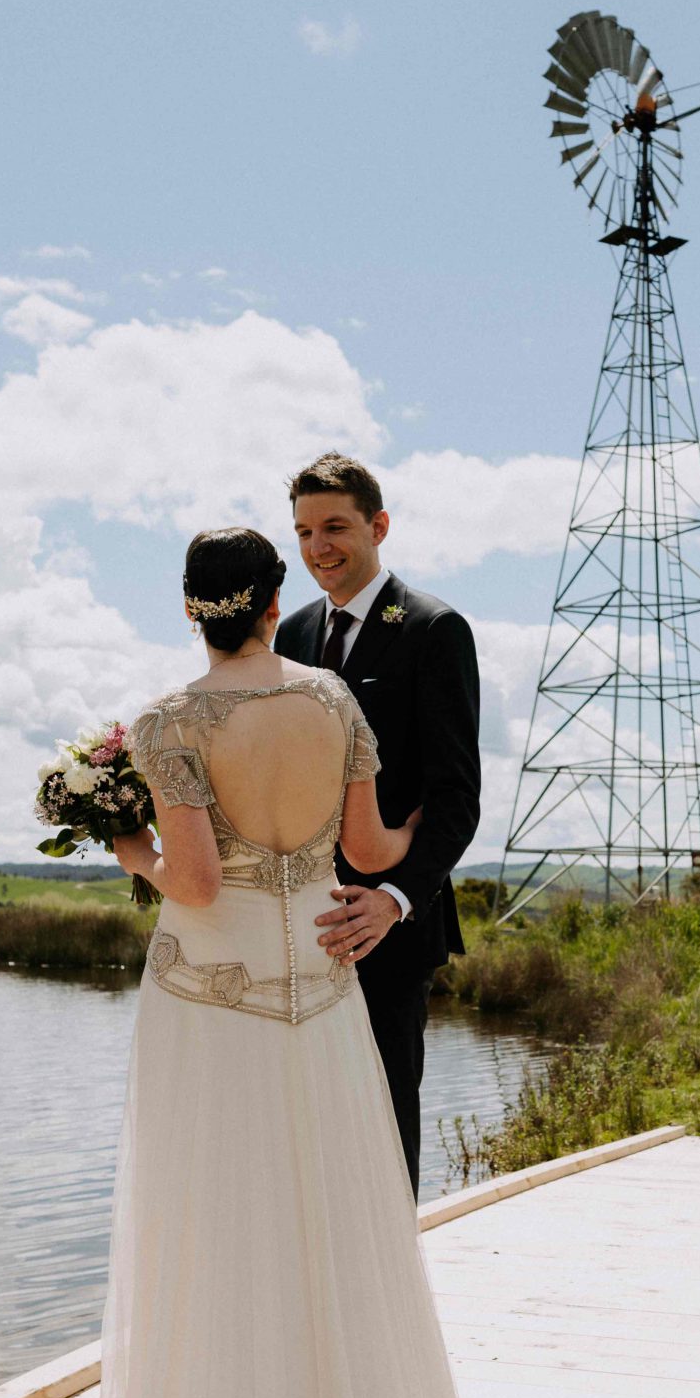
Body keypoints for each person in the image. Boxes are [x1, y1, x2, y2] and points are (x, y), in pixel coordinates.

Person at [91, 527, 469, 1398]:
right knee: (333, 1211)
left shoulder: (170, 719)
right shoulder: (335, 703)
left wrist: (130, 851)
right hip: (318, 979)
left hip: (210, 998)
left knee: (213, 1215)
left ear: (188, 608)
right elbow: (377, 850)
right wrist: (428, 818)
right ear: (273, 602)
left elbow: (199, 881)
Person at [273, 453, 484, 1189]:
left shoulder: (433, 628)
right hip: (303, 920)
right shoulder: (291, 634)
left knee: (385, 1113)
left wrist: (394, 899)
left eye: (334, 526)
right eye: (303, 531)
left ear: (378, 526)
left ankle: (396, 1289)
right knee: (308, 1116)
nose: (317, 547)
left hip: (391, 926)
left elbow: (456, 796)